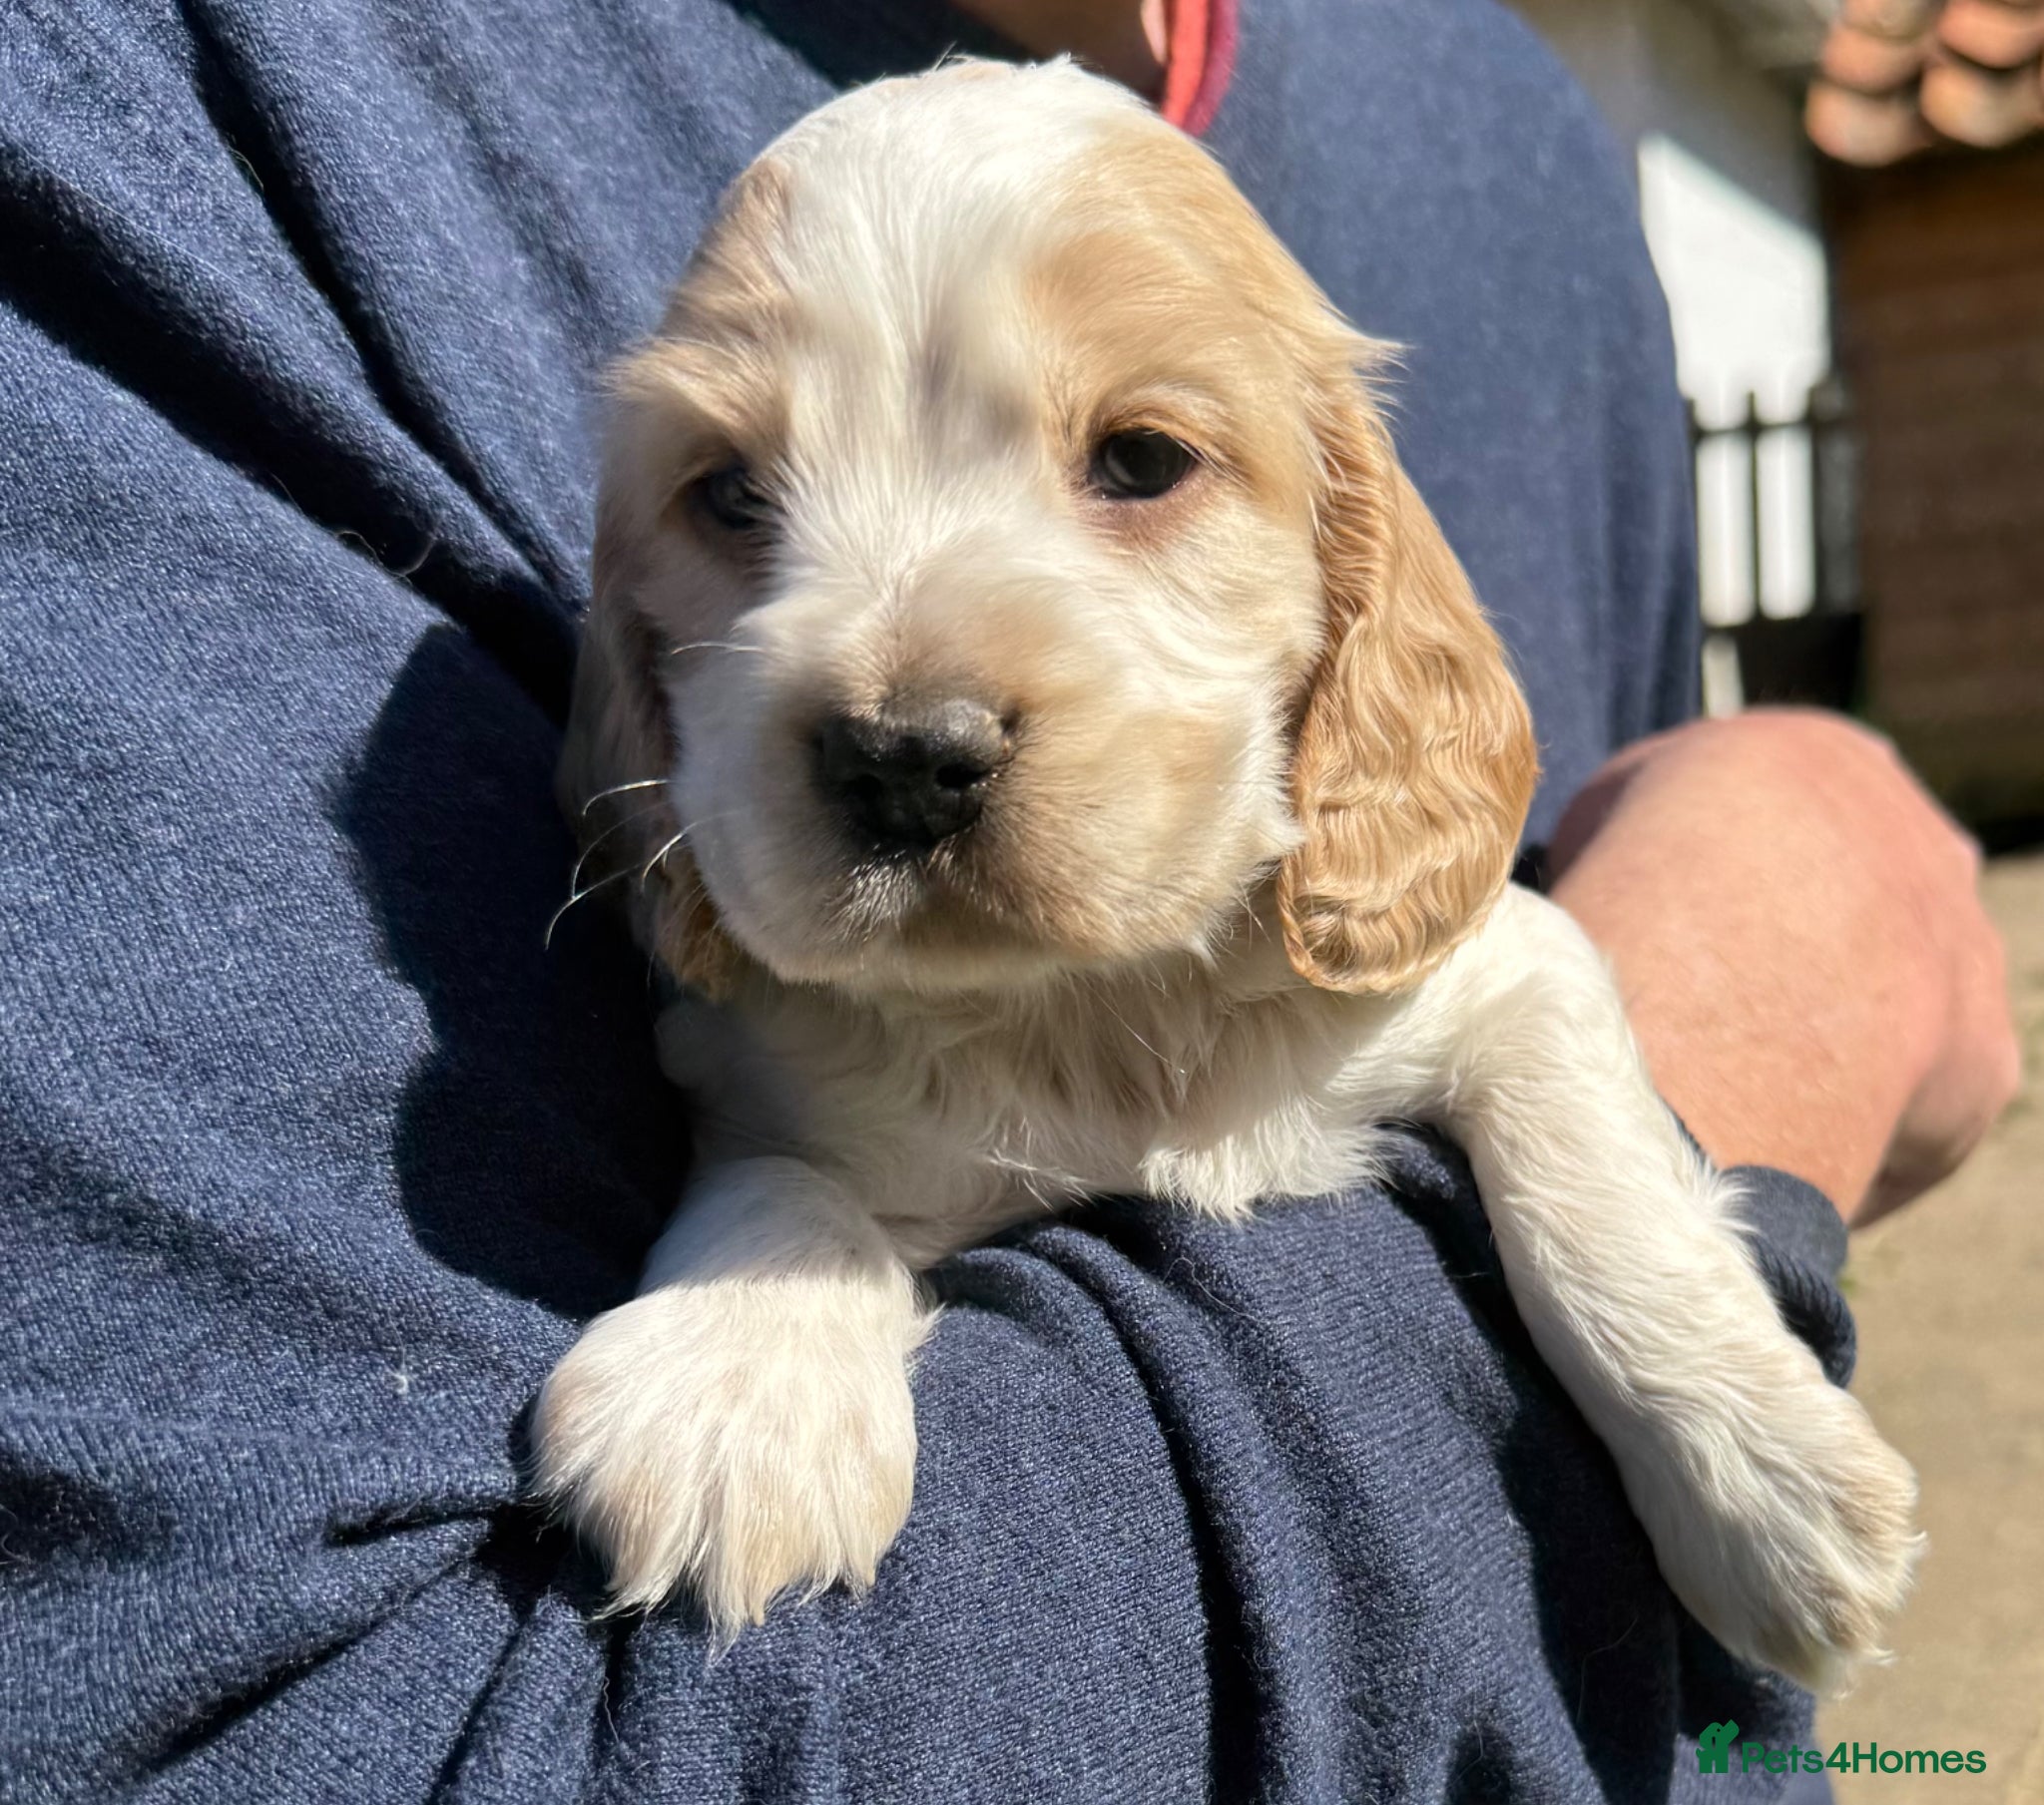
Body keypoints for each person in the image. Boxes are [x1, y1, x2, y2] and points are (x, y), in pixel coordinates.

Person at [0, 0, 2014, 1799]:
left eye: (1135, 456)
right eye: (733, 499)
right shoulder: (133, 75)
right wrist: (782, 1252)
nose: (903, 712)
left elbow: (1513, 979)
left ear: (1350, 575)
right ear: (632, 645)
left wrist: (1683, 1333)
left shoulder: (1504, 127)